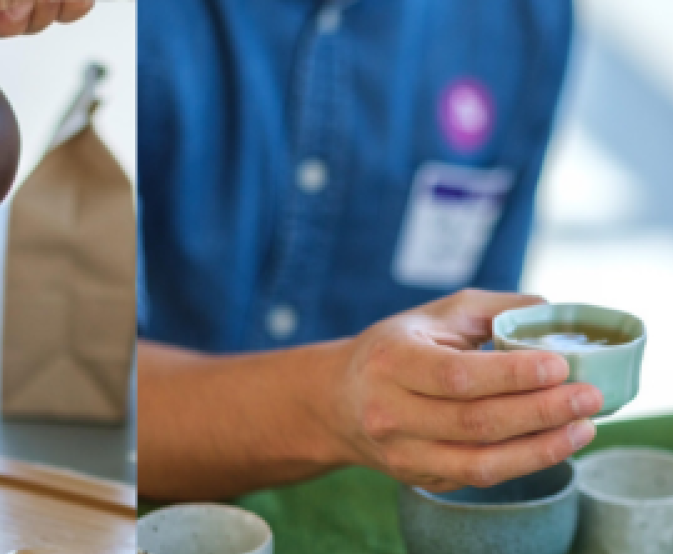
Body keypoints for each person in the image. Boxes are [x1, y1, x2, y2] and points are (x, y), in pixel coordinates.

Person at [134, 1, 601, 500]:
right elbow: (76, 398)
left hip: (393, 509)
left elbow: (489, 323)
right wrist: (331, 405)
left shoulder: (529, 18)